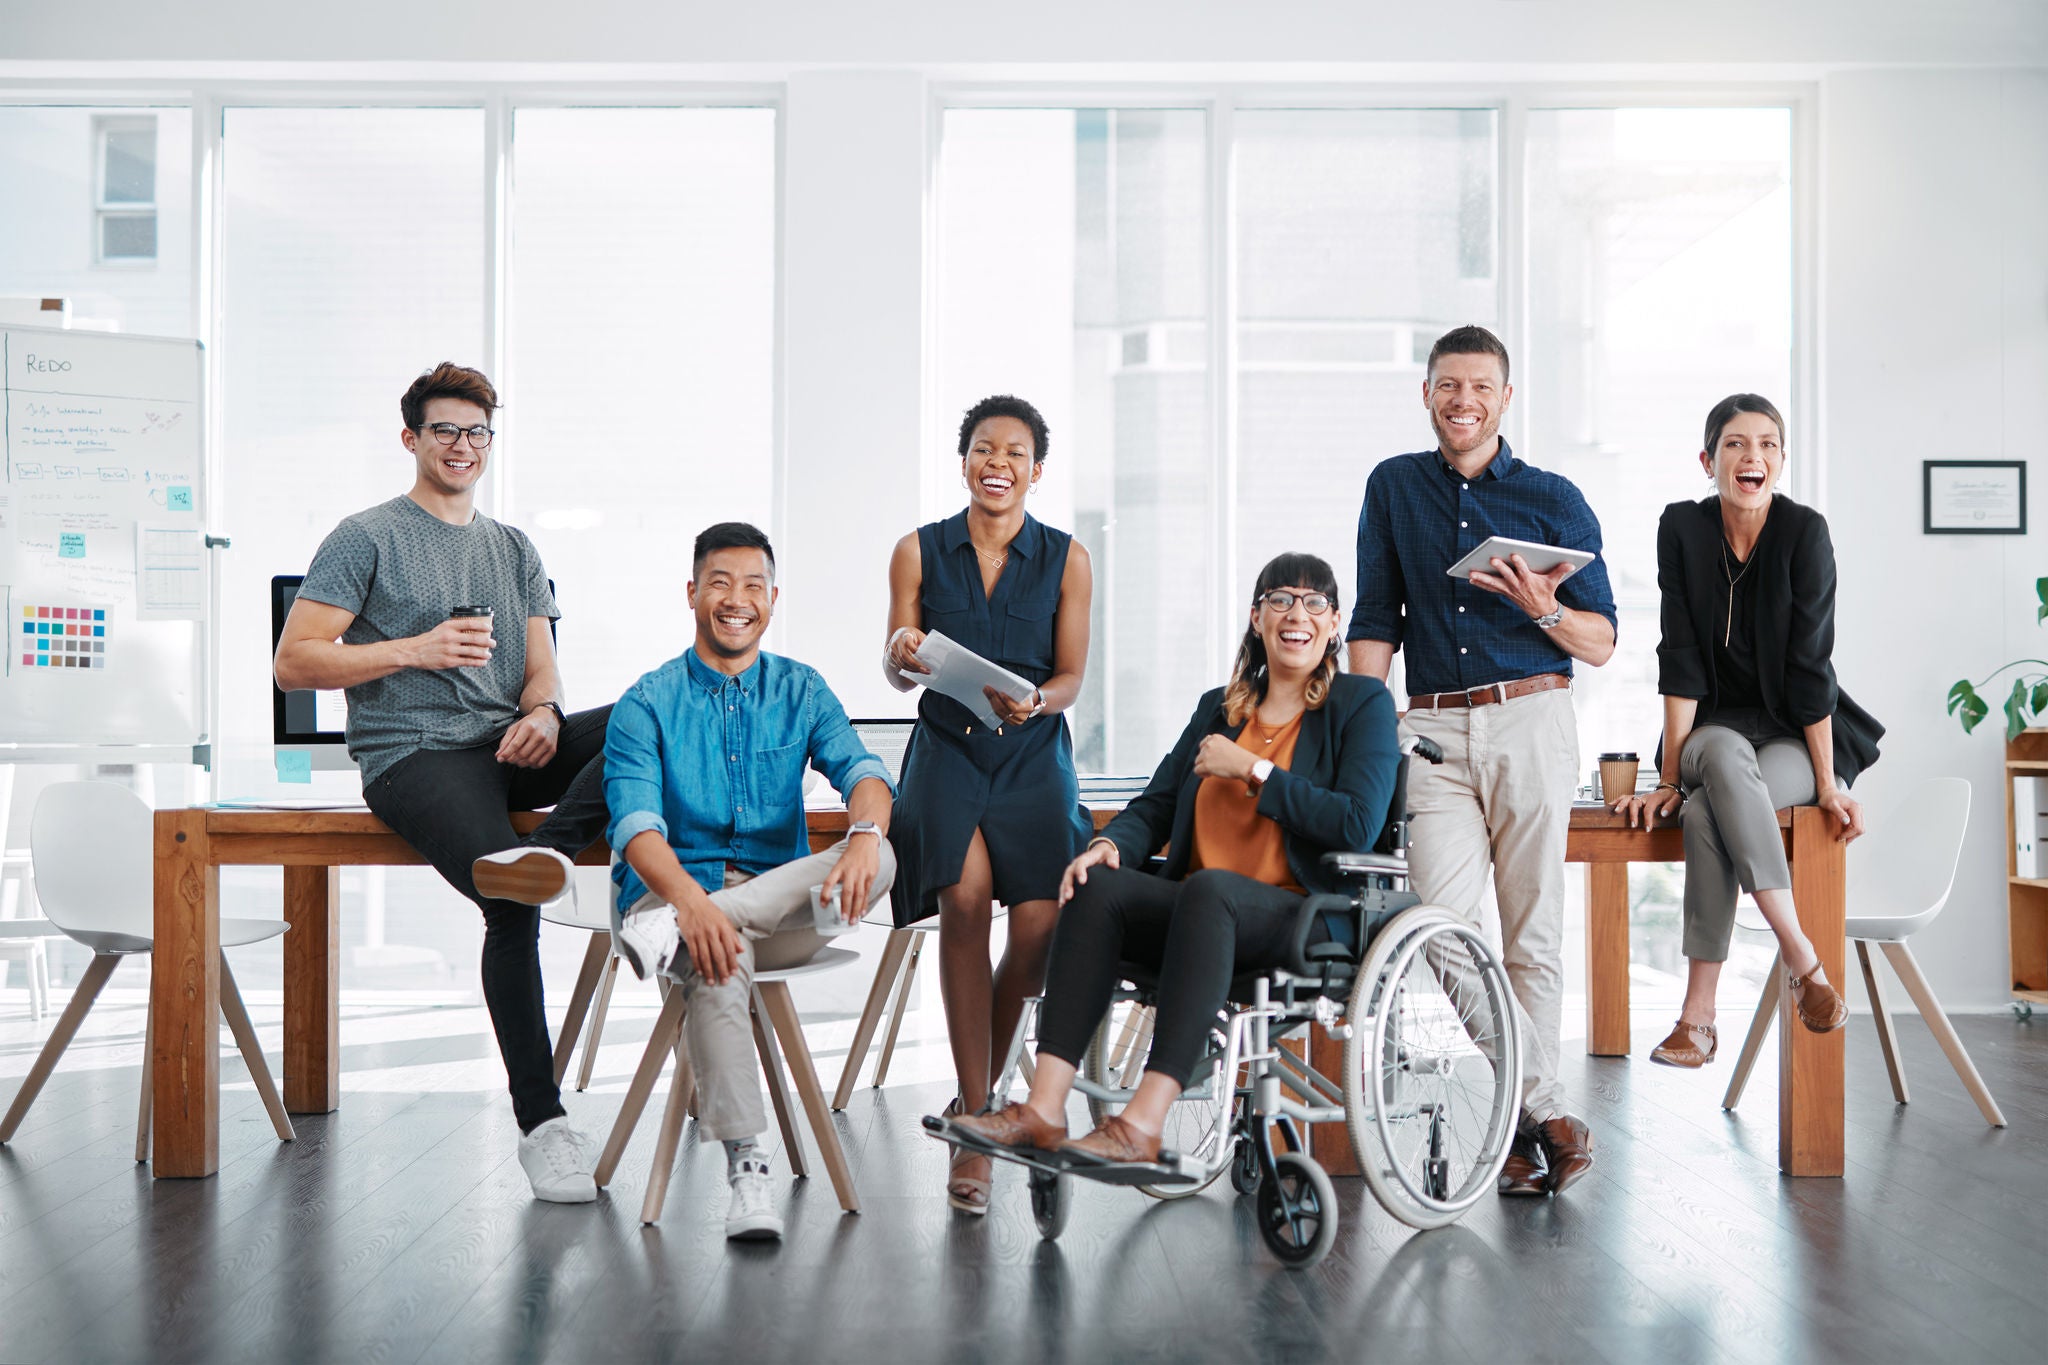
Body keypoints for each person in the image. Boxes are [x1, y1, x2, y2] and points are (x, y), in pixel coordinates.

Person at [275, 362, 610, 1204]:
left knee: (658, 712)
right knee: (510, 900)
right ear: (412, 440)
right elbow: (294, 663)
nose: (463, 446)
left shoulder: (514, 546)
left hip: (508, 743)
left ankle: (554, 848)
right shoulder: (366, 536)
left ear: (491, 442)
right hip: (414, 753)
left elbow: (541, 670)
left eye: (477, 432)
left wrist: (544, 713)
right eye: (445, 431)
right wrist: (414, 649)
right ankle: (544, 1126)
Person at [948, 553, 1399, 1165]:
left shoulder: (1360, 703)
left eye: (1314, 602)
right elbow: (1157, 804)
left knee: (1211, 889)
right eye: (1281, 600)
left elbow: (1357, 822)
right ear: (1256, 617)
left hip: (1300, 910)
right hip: (1201, 906)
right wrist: (1109, 847)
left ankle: (1142, 1124)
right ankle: (1042, 1110)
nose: (1298, 614)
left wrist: (1253, 771)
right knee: (1099, 884)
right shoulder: (1221, 708)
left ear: (1334, 622)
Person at [1345, 324, 1617, 1198]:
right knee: (1443, 926)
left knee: (1533, 936)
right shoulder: (1393, 486)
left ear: (1506, 398)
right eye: (1447, 385)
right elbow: (1375, 617)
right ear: (1426, 394)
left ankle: (1515, 1134)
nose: (1463, 400)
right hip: (1433, 731)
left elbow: (1602, 639)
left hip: (1533, 715)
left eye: (1480, 387)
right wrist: (1367, 719)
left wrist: (1545, 607)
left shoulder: (1553, 497)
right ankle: (1547, 1111)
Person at [605, 522, 896, 1242]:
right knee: (716, 950)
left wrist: (864, 833)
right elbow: (638, 828)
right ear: (693, 593)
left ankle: (691, 924)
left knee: (885, 856)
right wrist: (688, 903)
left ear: (773, 598)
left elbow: (864, 773)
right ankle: (748, 1167)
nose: (738, 600)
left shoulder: (801, 688)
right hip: (676, 893)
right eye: (721, 583)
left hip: (771, 906)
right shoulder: (646, 702)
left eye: (754, 585)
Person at [1612, 394, 1880, 1069]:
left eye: (1766, 444)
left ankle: (1697, 1019)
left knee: (1708, 811)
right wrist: (1671, 775)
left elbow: (1811, 666)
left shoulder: (1804, 533)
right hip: (1709, 733)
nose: (1750, 455)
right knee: (1723, 760)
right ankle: (1803, 957)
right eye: (1734, 444)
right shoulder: (1682, 529)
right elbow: (1678, 657)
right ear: (1709, 460)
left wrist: (1826, 782)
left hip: (1792, 737)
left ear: (1781, 460)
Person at [881, 394, 1092, 1213]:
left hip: (1034, 751)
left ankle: (987, 1092)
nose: (996, 463)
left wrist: (1039, 700)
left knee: (1039, 925)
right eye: (982, 448)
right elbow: (899, 663)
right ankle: (976, 1120)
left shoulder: (1068, 558)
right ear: (963, 460)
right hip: (948, 751)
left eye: (1014, 452)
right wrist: (902, 651)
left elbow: (1072, 674)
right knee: (964, 901)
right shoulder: (917, 549)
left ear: (1036, 470)